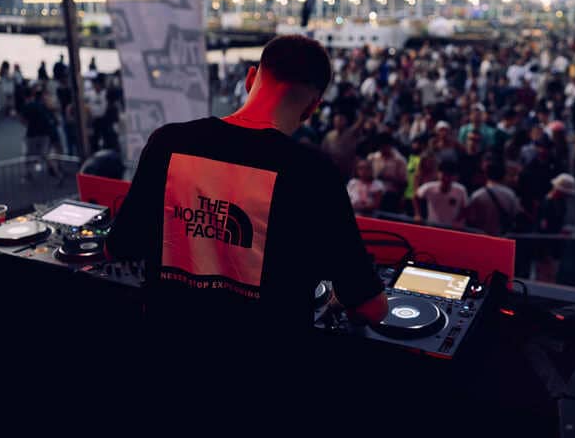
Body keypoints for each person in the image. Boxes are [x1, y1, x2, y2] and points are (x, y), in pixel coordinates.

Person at [106, 36, 387, 392]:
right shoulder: (314, 175)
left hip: (165, 362)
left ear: (250, 78)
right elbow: (373, 308)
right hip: (264, 376)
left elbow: (118, 248)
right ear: (312, 107)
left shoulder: (167, 143)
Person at [466, 160, 522, 236]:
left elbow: (471, 219)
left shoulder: (477, 195)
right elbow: (515, 215)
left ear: (486, 175)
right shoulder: (510, 195)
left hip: (481, 237)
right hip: (502, 238)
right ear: (503, 175)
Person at [414, 160, 468, 228]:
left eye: (449, 176)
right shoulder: (428, 187)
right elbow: (416, 196)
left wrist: (458, 220)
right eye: (444, 175)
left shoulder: (461, 190)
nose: (446, 178)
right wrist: (418, 214)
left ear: (454, 177)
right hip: (432, 225)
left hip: (452, 227)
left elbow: (465, 208)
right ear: (438, 174)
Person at [368, 133, 407, 212]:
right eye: (380, 147)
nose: (381, 149)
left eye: (383, 146)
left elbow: (404, 182)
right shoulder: (373, 157)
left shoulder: (400, 160)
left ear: (389, 145)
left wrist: (388, 178)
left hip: (390, 196)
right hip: (372, 193)